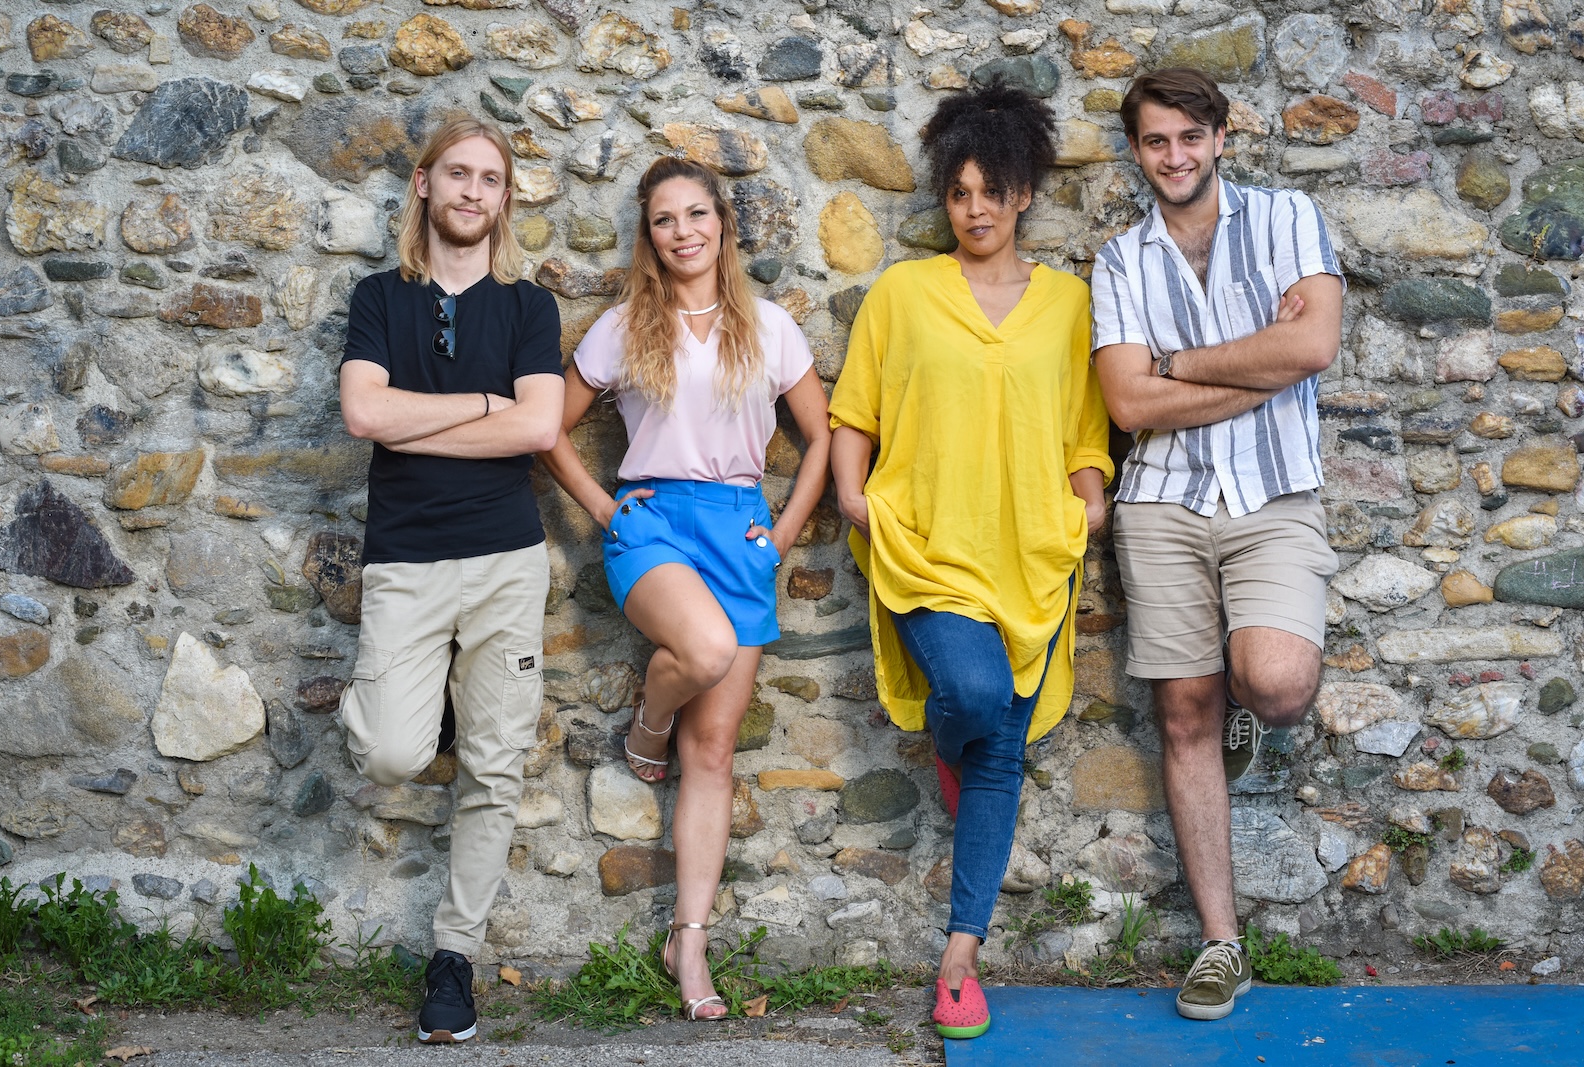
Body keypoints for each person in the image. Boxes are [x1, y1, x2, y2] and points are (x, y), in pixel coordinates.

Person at [828, 80, 1112, 1041]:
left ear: (1025, 192)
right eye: (959, 193)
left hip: (1031, 551)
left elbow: (1085, 426)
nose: (977, 209)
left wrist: (1089, 492)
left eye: (994, 191)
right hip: (927, 544)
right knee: (980, 706)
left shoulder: (1071, 304)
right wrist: (850, 492)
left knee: (998, 757)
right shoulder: (904, 293)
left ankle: (960, 959)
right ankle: (953, 740)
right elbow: (853, 409)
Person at [540, 156, 830, 1022]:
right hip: (653, 524)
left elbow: (819, 439)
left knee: (713, 756)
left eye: (697, 214)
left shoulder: (771, 327)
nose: (683, 232)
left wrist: (780, 535)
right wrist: (603, 506)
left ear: (722, 224)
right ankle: (646, 722)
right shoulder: (624, 326)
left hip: (738, 528)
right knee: (700, 650)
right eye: (665, 219)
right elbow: (546, 427)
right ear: (650, 234)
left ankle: (689, 939)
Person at [1090, 68, 1344, 1021]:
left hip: (1274, 493)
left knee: (1273, 682)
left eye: (1191, 137)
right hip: (1163, 501)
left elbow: (1313, 349)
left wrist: (1180, 364)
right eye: (1156, 142)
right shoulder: (1119, 262)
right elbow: (1126, 403)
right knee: (1184, 717)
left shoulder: (1288, 218)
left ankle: (1249, 694)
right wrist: (1258, 364)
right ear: (1137, 151)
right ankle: (1220, 944)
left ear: (1222, 138)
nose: (1175, 157)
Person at [337, 114, 565, 1044]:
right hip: (406, 560)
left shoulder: (529, 307)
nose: (473, 191)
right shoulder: (377, 296)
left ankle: (453, 954)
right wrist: (481, 402)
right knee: (392, 751)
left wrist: (414, 416)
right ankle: (422, 701)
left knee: (495, 765)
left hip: (505, 558)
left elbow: (539, 429)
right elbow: (363, 413)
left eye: (491, 179)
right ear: (425, 184)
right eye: (457, 174)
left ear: (504, 199)